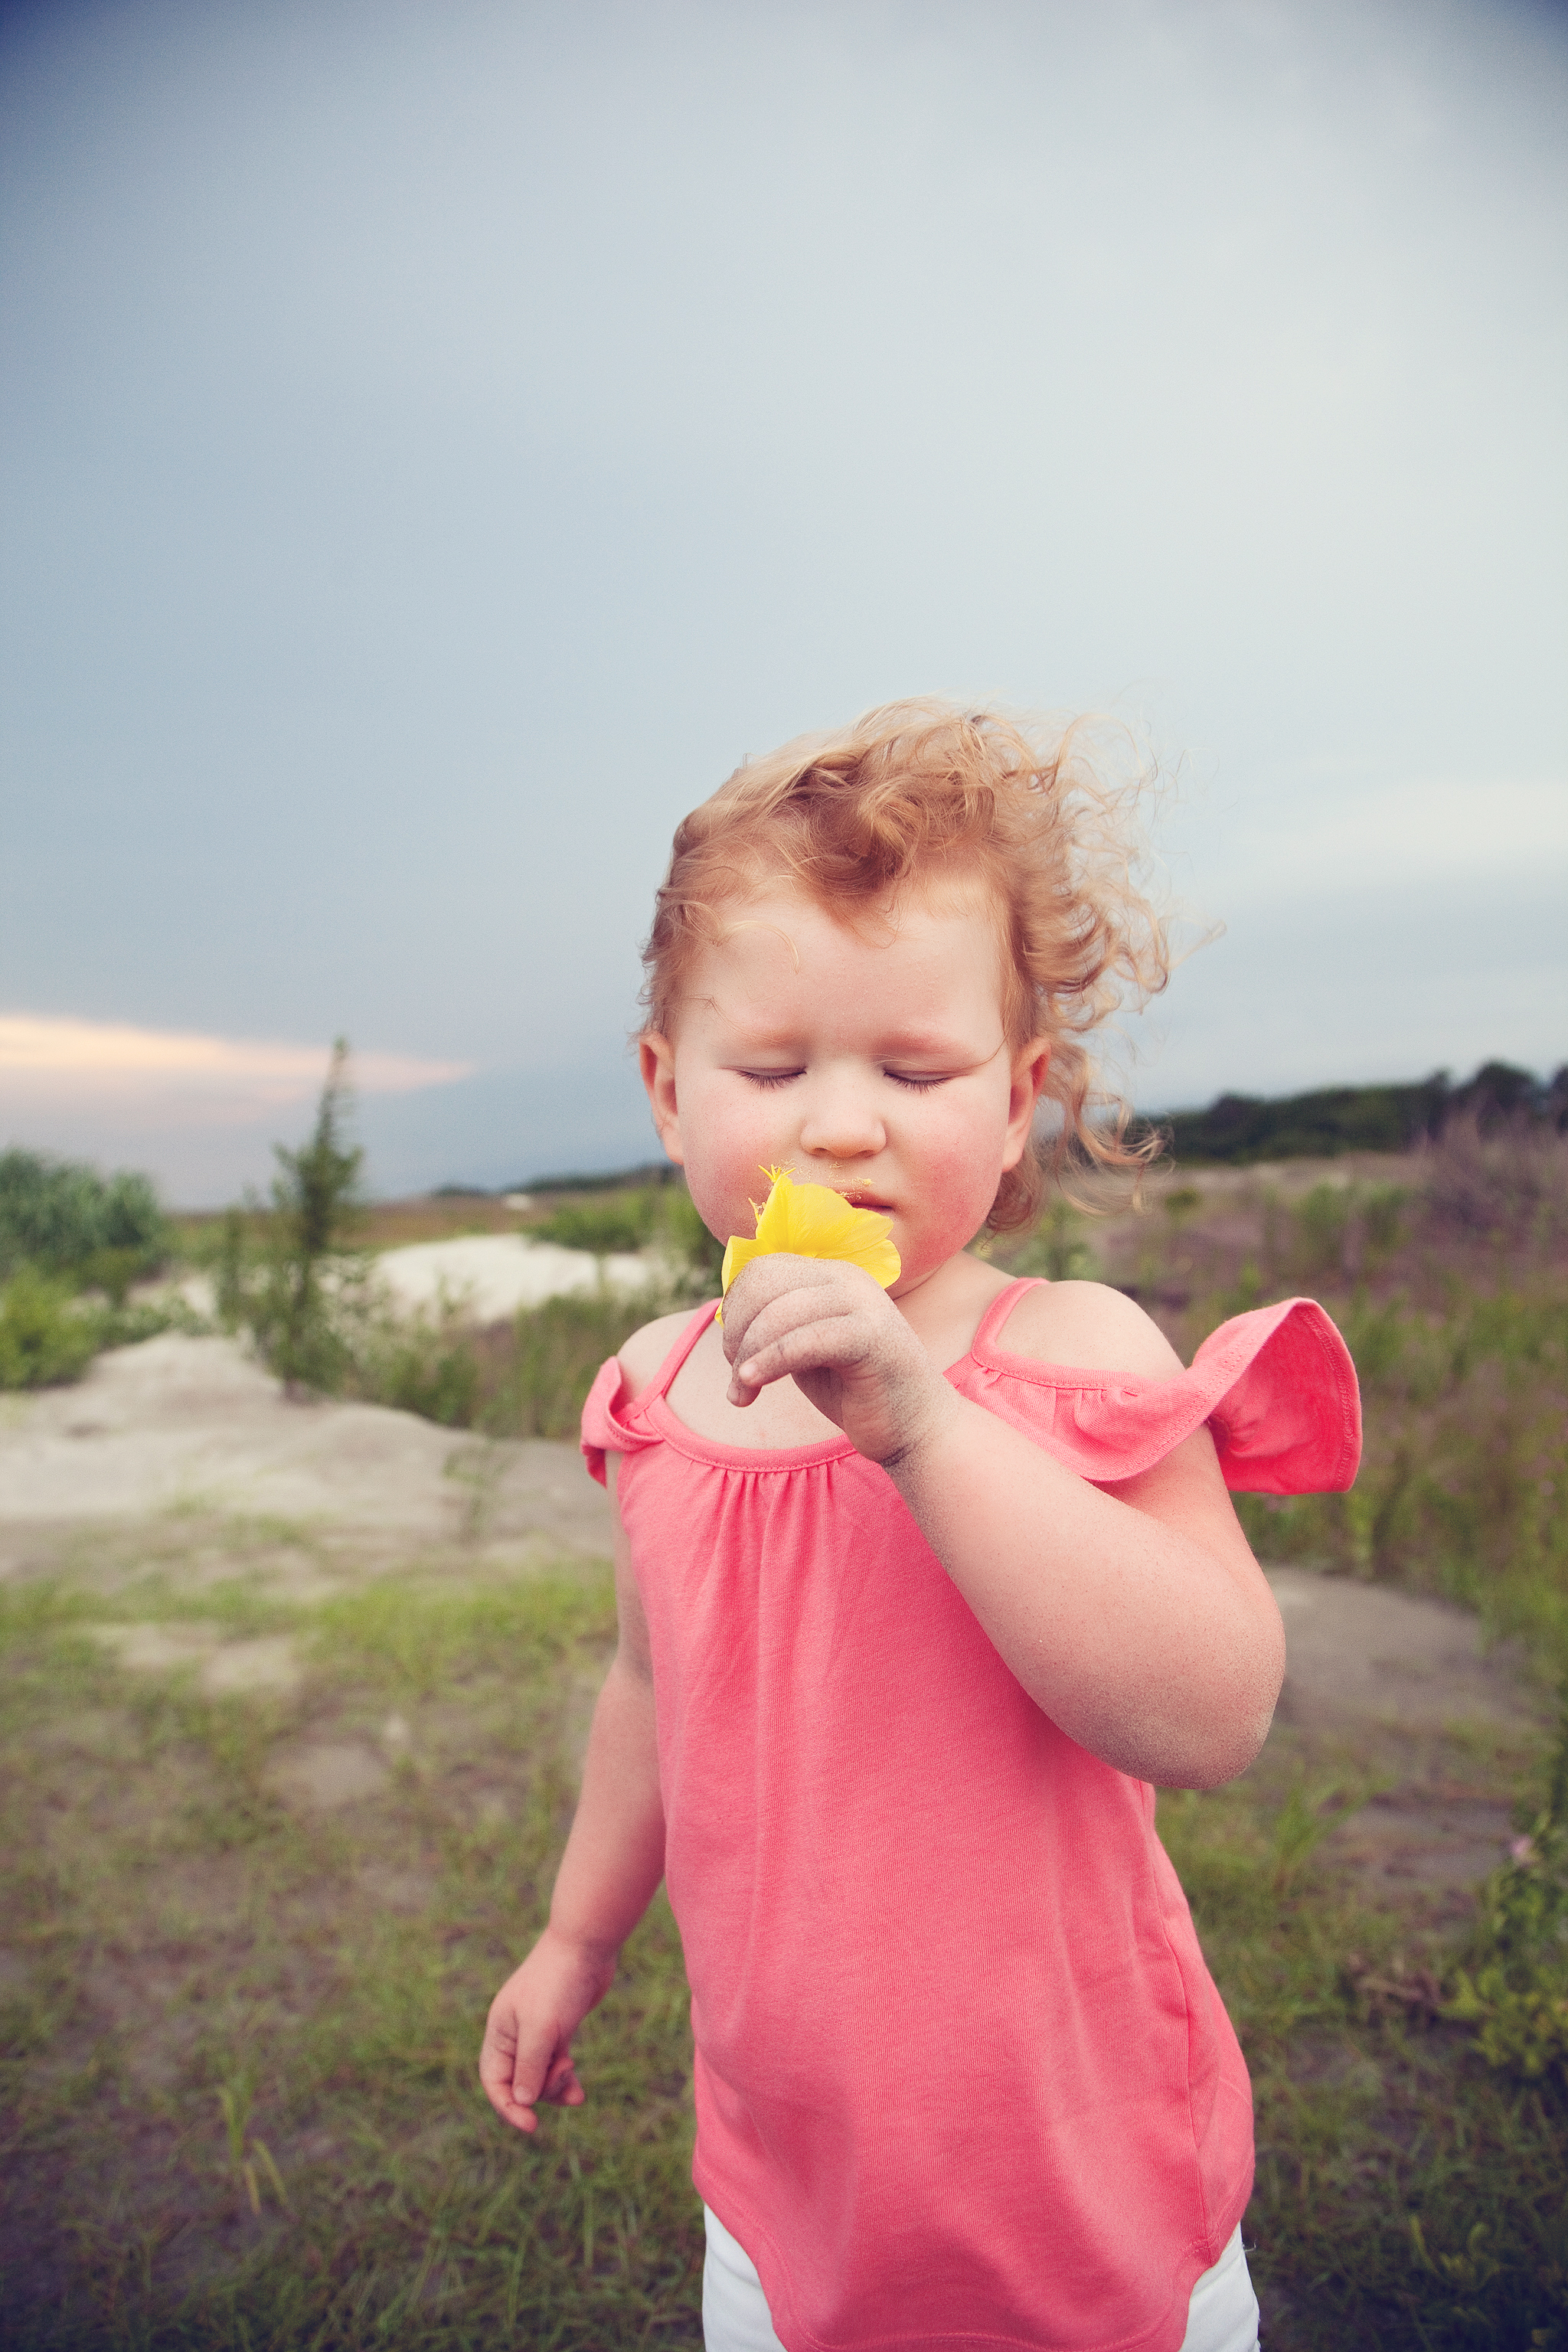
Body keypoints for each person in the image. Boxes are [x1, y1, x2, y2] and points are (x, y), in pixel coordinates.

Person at [479, 701, 1361, 2352]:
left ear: (1020, 1096)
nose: (838, 1123)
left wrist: (926, 1431)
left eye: (914, 1069)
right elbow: (648, 1696)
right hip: (784, 2180)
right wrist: (574, 1934)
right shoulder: (659, 1391)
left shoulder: (1073, 1355)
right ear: (668, 1095)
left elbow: (1215, 1713)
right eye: (769, 1068)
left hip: (1068, 2168)